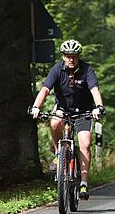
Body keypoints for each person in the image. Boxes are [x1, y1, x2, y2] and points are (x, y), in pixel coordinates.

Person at [30, 39, 105, 200]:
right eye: (67, 56)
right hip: (63, 109)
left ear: (78, 56)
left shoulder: (87, 70)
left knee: (85, 143)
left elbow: (94, 90)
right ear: (63, 56)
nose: (71, 59)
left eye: (74, 56)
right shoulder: (57, 69)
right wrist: (36, 106)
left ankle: (84, 183)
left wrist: (98, 106)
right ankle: (59, 153)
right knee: (55, 122)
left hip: (84, 111)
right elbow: (45, 89)